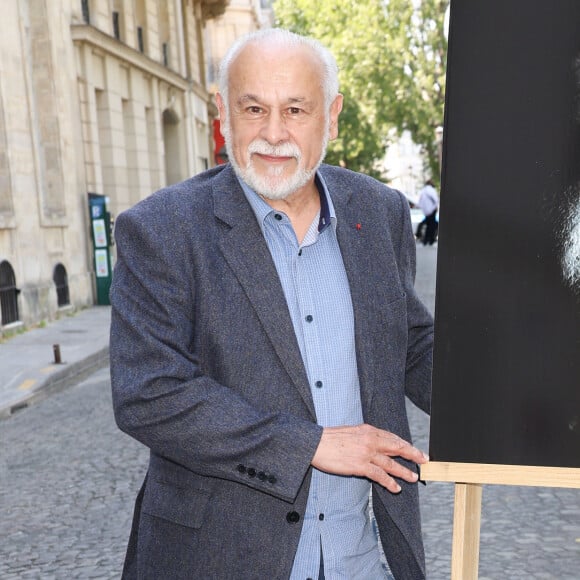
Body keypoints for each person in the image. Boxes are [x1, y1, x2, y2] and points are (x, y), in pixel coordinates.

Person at [110, 28, 434, 580]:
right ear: (223, 113)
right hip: (218, 559)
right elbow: (149, 393)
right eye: (254, 108)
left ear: (330, 116)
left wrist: (513, 407)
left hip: (364, 558)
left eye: (296, 110)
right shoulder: (160, 229)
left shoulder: (378, 213)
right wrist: (309, 445)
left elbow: (411, 344)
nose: (274, 133)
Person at [417, 179, 439, 245]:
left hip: (426, 212)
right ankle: (431, 240)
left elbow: (420, 203)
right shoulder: (431, 190)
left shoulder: (423, 191)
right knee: (432, 226)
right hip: (432, 211)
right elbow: (436, 200)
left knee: (428, 225)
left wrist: (425, 211)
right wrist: (433, 208)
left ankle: (426, 240)